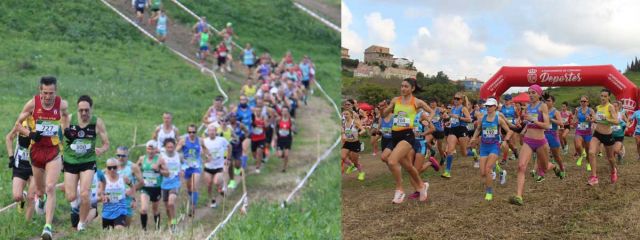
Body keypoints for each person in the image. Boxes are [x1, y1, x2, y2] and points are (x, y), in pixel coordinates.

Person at [14, 76, 70, 239]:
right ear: (40, 91)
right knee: (40, 190)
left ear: (55, 92)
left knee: (51, 186)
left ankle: (47, 227)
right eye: (45, 93)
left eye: (51, 93)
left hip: (53, 151)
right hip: (36, 151)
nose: (47, 97)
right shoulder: (32, 104)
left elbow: (66, 116)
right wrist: (30, 133)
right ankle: (42, 198)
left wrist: (65, 130)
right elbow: (18, 125)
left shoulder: (62, 104)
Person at [62, 95, 110, 231]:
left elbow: (106, 143)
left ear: (91, 109)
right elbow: (61, 134)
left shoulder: (97, 122)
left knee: (84, 193)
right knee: (71, 196)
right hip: (71, 162)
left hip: (88, 162)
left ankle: (82, 223)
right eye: (81, 110)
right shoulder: (70, 119)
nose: (84, 113)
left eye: (86, 110)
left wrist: (102, 149)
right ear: (77, 109)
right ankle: (80, 206)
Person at [382, 78, 432, 204]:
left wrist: (428, 121)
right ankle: (422, 186)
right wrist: (388, 108)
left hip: (407, 135)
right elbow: (384, 115)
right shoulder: (395, 100)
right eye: (402, 86)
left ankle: (399, 190)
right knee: (407, 166)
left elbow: (431, 111)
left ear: (412, 88)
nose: (403, 88)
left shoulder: (417, 102)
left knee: (392, 160)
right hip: (395, 135)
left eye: (406, 86)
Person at [509, 85, 556, 205]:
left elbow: (546, 125)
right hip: (528, 140)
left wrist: (532, 120)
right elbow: (528, 121)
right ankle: (519, 196)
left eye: (533, 92)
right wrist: (523, 122)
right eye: (529, 92)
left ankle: (553, 166)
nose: (530, 94)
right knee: (521, 166)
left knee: (544, 168)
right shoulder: (528, 107)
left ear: (539, 94)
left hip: (541, 142)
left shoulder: (543, 106)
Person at [470, 98, 513, 201]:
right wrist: (474, 137)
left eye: (490, 106)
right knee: (482, 173)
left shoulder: (498, 119)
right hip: (484, 146)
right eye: (487, 106)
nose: (488, 108)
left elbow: (509, 131)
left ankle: (489, 191)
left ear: (495, 107)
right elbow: (478, 129)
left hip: (494, 145)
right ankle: (502, 173)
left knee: (488, 169)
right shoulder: (482, 118)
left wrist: (505, 140)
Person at [5, 118, 36, 221]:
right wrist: (11, 157)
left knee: (31, 198)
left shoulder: (41, 124)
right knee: (17, 196)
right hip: (20, 165)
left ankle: (27, 224)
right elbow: (9, 137)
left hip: (35, 166)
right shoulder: (21, 123)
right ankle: (23, 197)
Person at [586, 89, 619, 185]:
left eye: (605, 96)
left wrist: (607, 118)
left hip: (607, 135)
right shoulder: (598, 107)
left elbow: (616, 121)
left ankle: (613, 170)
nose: (603, 98)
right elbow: (596, 120)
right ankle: (594, 177)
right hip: (597, 133)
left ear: (609, 97)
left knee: (610, 158)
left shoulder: (610, 107)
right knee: (591, 152)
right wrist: (591, 119)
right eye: (602, 96)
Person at [99, 158, 139, 229]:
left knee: (119, 229)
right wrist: (103, 197)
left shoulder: (123, 178)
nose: (112, 170)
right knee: (108, 235)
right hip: (107, 212)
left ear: (118, 167)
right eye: (109, 168)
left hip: (121, 211)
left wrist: (134, 199)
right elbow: (100, 193)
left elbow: (132, 186)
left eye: (114, 167)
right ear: (106, 168)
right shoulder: (103, 180)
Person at [441, 92, 472, 178]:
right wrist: (446, 118)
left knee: (464, 153)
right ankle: (447, 171)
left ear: (461, 100)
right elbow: (451, 118)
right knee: (450, 150)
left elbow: (469, 120)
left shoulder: (463, 108)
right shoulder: (453, 108)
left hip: (462, 129)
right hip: (453, 130)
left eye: (457, 99)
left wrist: (458, 117)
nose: (455, 100)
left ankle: (474, 153)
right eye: (454, 98)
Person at [202, 124, 231, 208]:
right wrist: (205, 157)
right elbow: (202, 151)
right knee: (209, 184)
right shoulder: (204, 141)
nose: (211, 132)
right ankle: (212, 200)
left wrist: (228, 159)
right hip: (208, 167)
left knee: (216, 181)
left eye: (213, 130)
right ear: (208, 132)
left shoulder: (221, 140)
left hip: (219, 166)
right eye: (209, 131)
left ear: (216, 131)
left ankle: (221, 186)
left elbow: (229, 147)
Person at [177, 125, 202, 217]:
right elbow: (176, 151)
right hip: (186, 166)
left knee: (194, 187)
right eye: (190, 132)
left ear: (196, 132)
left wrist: (208, 155)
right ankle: (192, 197)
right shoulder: (183, 140)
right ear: (187, 132)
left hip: (196, 166)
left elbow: (205, 148)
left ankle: (192, 207)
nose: (191, 134)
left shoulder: (200, 140)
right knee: (189, 188)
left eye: (193, 132)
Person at [137, 140, 163, 231]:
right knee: (144, 209)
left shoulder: (160, 159)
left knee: (155, 210)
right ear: (146, 149)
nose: (150, 151)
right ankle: (144, 230)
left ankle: (157, 229)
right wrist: (139, 175)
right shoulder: (141, 158)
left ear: (156, 150)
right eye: (148, 149)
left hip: (156, 188)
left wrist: (159, 171)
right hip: (145, 188)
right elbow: (136, 169)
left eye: (152, 149)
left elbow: (167, 173)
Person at [158, 138, 182, 232]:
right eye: (168, 147)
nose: (170, 149)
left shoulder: (179, 155)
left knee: (171, 203)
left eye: (172, 147)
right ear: (165, 147)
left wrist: (183, 170)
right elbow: (157, 169)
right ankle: (171, 223)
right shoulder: (161, 157)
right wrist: (163, 172)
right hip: (164, 184)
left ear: (175, 147)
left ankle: (174, 224)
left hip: (175, 183)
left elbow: (185, 163)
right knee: (167, 208)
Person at [115, 146, 143, 227]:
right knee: (116, 227)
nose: (120, 158)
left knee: (125, 227)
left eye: (123, 156)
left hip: (127, 200)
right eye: (118, 155)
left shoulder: (133, 167)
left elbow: (141, 182)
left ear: (128, 156)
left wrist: (131, 191)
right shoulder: (112, 166)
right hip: (115, 199)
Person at [543, 94, 566, 179]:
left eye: (549, 100)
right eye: (545, 100)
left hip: (552, 134)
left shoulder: (555, 111)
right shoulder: (543, 110)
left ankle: (562, 168)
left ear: (553, 102)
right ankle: (542, 170)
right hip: (543, 134)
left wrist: (551, 119)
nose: (546, 102)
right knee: (542, 153)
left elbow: (561, 123)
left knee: (556, 156)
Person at [341, 110, 366, 180]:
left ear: (351, 115)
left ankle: (361, 173)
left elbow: (363, 130)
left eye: (347, 114)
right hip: (347, 143)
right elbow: (342, 130)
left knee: (355, 162)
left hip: (355, 143)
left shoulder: (355, 122)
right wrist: (343, 135)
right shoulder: (344, 123)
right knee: (342, 156)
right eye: (344, 114)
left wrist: (358, 134)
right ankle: (351, 165)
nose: (345, 116)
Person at [574, 96, 594, 171]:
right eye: (581, 101)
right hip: (579, 131)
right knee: (578, 145)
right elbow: (574, 119)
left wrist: (590, 119)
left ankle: (588, 163)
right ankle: (582, 154)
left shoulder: (591, 110)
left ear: (587, 102)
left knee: (588, 149)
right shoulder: (577, 110)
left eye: (584, 101)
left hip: (588, 132)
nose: (583, 102)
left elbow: (594, 119)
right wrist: (574, 121)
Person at [499, 94, 520, 164]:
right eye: (505, 100)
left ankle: (504, 159)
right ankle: (515, 150)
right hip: (504, 127)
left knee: (508, 141)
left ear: (511, 100)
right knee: (508, 143)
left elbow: (518, 116)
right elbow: (500, 119)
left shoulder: (514, 108)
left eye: (508, 100)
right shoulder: (501, 108)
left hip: (512, 127)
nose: (506, 101)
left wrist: (517, 122)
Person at [276, 106, 295, 172]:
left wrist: (293, 129)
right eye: (283, 111)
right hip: (280, 139)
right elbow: (275, 128)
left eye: (286, 111)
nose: (284, 112)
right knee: (279, 155)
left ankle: (284, 168)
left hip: (287, 138)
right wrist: (274, 136)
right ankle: (282, 154)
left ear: (288, 112)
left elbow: (294, 129)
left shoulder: (291, 120)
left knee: (286, 155)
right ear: (281, 112)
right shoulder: (278, 119)